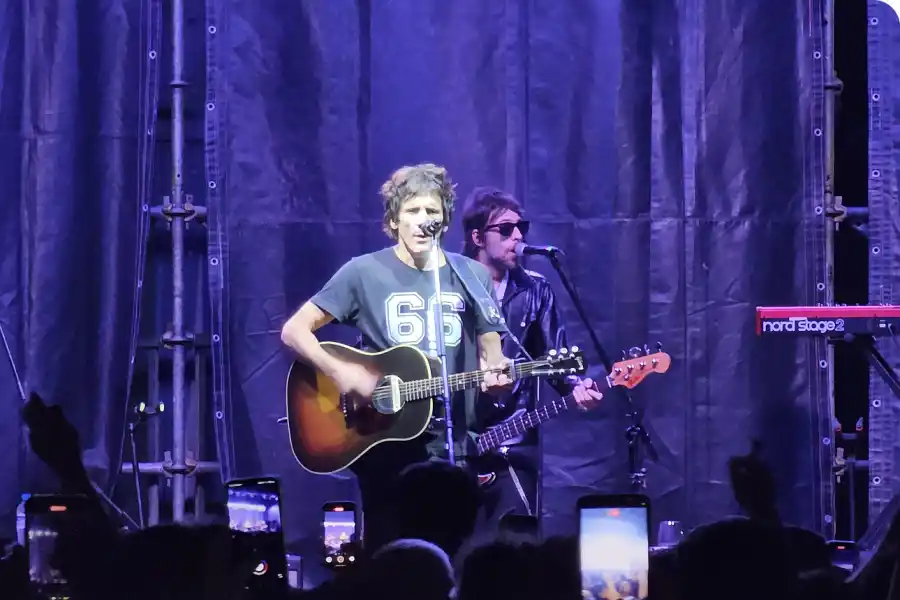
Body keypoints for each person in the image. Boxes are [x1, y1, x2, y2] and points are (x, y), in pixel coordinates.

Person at [280, 164, 512, 554]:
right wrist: (341, 372)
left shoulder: (471, 274)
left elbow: (494, 355)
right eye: (414, 211)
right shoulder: (363, 272)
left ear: (446, 218)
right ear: (393, 219)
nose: (424, 221)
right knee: (391, 560)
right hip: (384, 444)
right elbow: (294, 331)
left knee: (452, 557)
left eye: (433, 212)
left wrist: (498, 377)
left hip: (453, 448)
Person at [460, 186, 603, 533]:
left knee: (515, 547)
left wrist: (575, 386)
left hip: (513, 439)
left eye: (521, 227)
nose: (518, 236)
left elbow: (556, 359)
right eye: (506, 229)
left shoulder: (536, 289)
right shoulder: (451, 286)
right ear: (478, 236)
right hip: (456, 440)